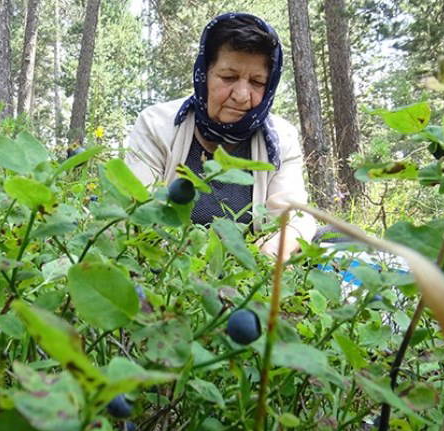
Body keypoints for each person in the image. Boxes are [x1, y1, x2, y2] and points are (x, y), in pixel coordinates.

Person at [125, 12, 317, 261]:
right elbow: (138, 209)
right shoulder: (157, 125)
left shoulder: (281, 138)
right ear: (204, 74)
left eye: (257, 82)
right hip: (173, 262)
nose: (241, 94)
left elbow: (293, 218)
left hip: (248, 264)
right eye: (229, 77)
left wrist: (270, 255)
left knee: (338, 238)